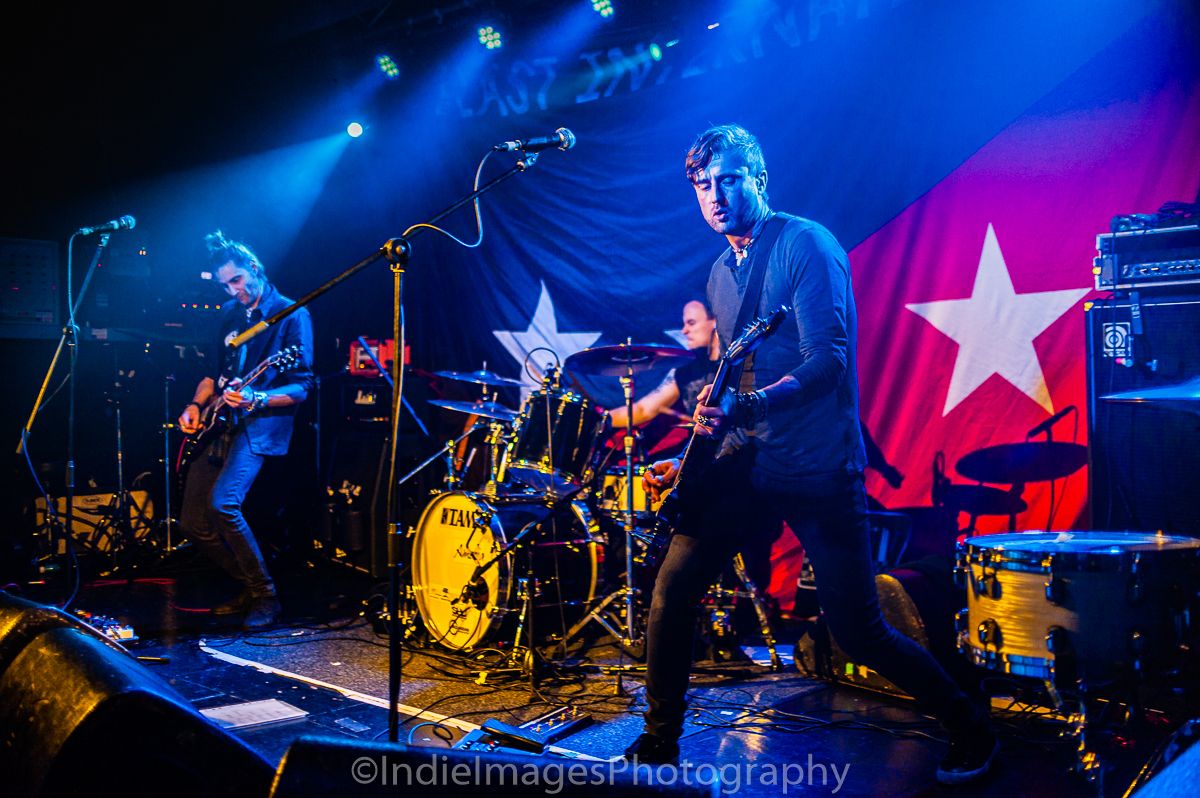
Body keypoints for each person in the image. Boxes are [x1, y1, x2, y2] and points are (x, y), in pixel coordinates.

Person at [624, 125, 997, 786]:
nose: (715, 196)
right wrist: (699, 449)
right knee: (672, 588)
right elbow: (734, 377)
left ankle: (970, 723)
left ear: (759, 179)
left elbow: (829, 361)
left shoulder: (806, 244)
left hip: (817, 464)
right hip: (747, 462)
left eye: (729, 179)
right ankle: (658, 742)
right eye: (703, 186)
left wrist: (751, 405)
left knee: (858, 631)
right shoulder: (720, 272)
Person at [177, 231, 314, 629]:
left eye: (236, 280)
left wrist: (257, 397)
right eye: (224, 284)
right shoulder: (228, 314)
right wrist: (195, 405)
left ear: (254, 268)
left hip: (258, 425)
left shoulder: (291, 313)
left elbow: (302, 387)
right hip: (218, 420)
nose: (232, 290)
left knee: (223, 504)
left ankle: (266, 594)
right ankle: (251, 586)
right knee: (192, 522)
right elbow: (212, 374)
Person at [607, 299, 720, 437]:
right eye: (684, 324)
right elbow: (643, 409)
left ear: (715, 321)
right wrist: (603, 418)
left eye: (691, 323)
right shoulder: (687, 366)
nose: (684, 331)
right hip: (700, 445)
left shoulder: (736, 363)